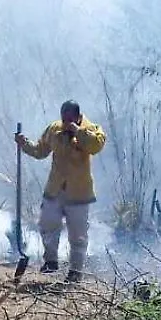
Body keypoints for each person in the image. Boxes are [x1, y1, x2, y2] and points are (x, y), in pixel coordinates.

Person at [15, 100, 106, 282]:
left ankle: (75, 272)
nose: (65, 122)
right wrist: (24, 144)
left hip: (79, 193)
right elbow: (40, 151)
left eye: (69, 119)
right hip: (55, 189)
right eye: (63, 118)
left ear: (77, 116)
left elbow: (95, 146)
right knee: (47, 225)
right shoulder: (54, 129)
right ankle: (50, 261)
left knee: (78, 235)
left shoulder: (93, 130)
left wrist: (77, 131)